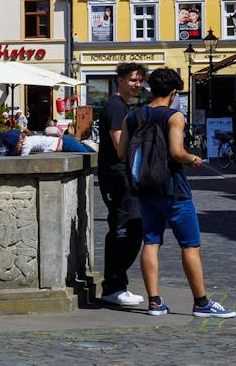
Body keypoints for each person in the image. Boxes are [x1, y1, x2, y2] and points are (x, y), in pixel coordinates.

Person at [130, 68, 235, 317]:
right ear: (174, 92)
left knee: (151, 242)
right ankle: (201, 303)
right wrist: (193, 158)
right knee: (190, 245)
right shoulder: (174, 116)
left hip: (146, 188)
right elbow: (177, 152)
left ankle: (154, 302)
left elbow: (124, 151)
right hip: (173, 188)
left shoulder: (133, 116)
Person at [98, 61, 148, 309]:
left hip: (122, 177)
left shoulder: (122, 106)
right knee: (124, 229)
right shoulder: (115, 107)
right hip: (119, 177)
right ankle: (114, 286)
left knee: (129, 228)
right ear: (120, 79)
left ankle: (116, 284)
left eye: (140, 80)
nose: (137, 84)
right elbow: (120, 148)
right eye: (133, 80)